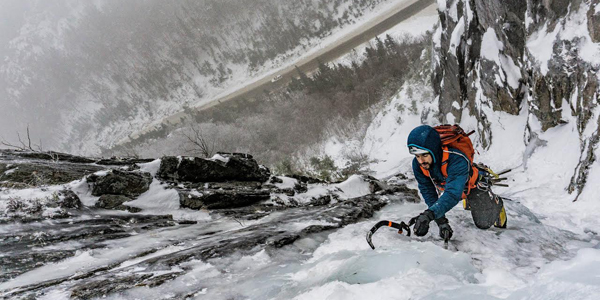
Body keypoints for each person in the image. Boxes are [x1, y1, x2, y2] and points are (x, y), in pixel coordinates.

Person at [407, 125, 507, 240]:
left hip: (471, 185)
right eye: (417, 156)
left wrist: (429, 215)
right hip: (452, 186)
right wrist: (441, 222)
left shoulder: (456, 159)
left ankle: (496, 203)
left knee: (484, 224)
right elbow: (427, 190)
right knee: (455, 193)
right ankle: (467, 200)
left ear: (434, 150)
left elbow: (452, 194)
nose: (421, 161)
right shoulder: (418, 164)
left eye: (424, 155)